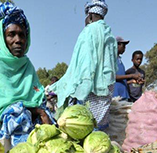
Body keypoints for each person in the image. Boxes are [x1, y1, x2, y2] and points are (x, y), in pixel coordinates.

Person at [0, 1, 51, 146]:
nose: (18, 40)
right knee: (17, 114)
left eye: (22, 35)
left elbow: (38, 99)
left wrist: (41, 112)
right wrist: (36, 110)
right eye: (11, 35)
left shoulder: (27, 65)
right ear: (2, 37)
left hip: (28, 117)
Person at [50, 0, 117, 129]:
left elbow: (84, 64)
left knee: (82, 126)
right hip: (106, 89)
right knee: (99, 129)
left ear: (90, 16)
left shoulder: (88, 32)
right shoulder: (109, 34)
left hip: (89, 89)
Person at [113, 36, 142, 100]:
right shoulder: (112, 60)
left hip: (123, 94)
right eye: (123, 46)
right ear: (117, 45)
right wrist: (131, 75)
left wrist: (132, 81)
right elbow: (113, 77)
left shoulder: (120, 61)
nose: (125, 48)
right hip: (116, 95)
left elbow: (122, 79)